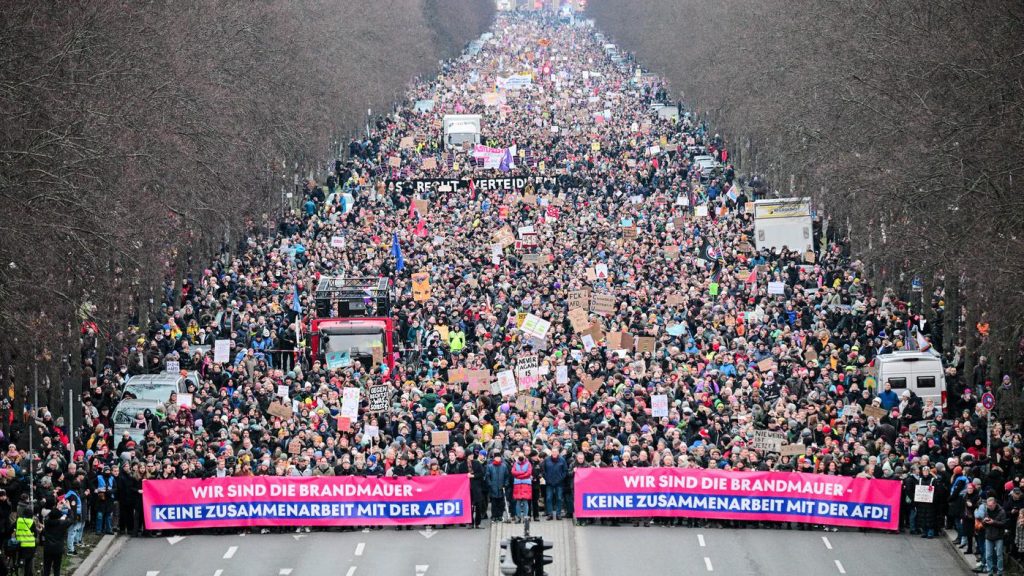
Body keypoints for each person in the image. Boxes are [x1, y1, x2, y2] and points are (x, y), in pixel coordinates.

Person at [977, 497, 1008, 576]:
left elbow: (1004, 524)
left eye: (990, 505)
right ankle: (989, 572)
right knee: (988, 555)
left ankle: (999, 572)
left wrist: (993, 522)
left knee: (999, 555)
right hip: (989, 536)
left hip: (998, 536)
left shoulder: (1002, 512)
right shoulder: (987, 510)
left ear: (995, 504)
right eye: (988, 505)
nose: (989, 507)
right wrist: (984, 522)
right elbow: (984, 525)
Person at [41, 505, 72, 576]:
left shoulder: (46, 522)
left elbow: (44, 532)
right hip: (58, 549)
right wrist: (69, 509)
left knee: (46, 568)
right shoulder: (62, 524)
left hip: (48, 548)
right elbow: (71, 519)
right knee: (57, 568)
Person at [542, 447, 568, 520]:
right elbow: (544, 471)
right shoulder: (547, 460)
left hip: (559, 483)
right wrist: (547, 479)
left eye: (555, 452)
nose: (554, 453)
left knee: (559, 498)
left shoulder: (562, 460)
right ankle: (550, 514)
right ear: (551, 452)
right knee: (549, 498)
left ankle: (558, 514)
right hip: (549, 483)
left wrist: (560, 479)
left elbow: (565, 471)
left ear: (558, 453)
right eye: (553, 452)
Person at [484, 454, 510, 524]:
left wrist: (505, 484)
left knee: (501, 504)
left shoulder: (504, 466)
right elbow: (487, 476)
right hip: (493, 488)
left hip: (502, 488)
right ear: (494, 458)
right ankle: (494, 516)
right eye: (496, 457)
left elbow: (507, 476)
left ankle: (500, 516)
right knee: (494, 504)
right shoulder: (490, 466)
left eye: (499, 457)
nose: (498, 458)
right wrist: (490, 484)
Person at [14, 502, 38, 576]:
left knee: (20, 560)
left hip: (20, 544)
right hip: (30, 545)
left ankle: (19, 572)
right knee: (28, 562)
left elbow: (11, 528)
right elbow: (35, 534)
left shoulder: (18, 520)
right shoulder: (31, 522)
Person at [510, 451, 532, 523]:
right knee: (518, 501)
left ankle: (525, 517)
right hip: (518, 484)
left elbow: (528, 473)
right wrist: (523, 473)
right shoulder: (515, 464)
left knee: (525, 501)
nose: (520, 457)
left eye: (521, 456)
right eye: (519, 456)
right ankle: (518, 517)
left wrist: (519, 475)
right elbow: (513, 472)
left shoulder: (528, 464)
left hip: (525, 484)